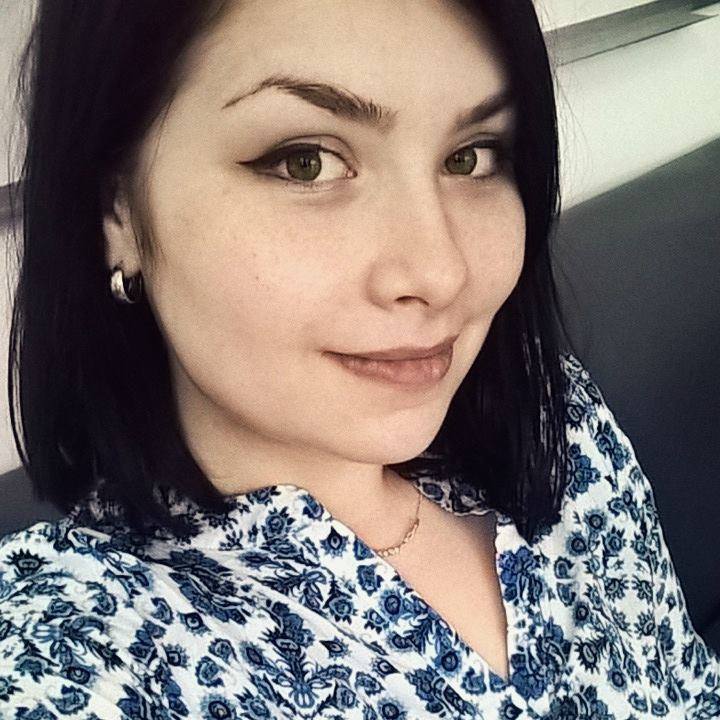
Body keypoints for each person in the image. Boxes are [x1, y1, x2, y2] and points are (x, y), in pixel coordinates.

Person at [0, 0, 718, 717]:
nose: (441, 273)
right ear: (118, 212)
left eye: (470, 157)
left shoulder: (553, 421)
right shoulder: (80, 652)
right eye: (305, 162)